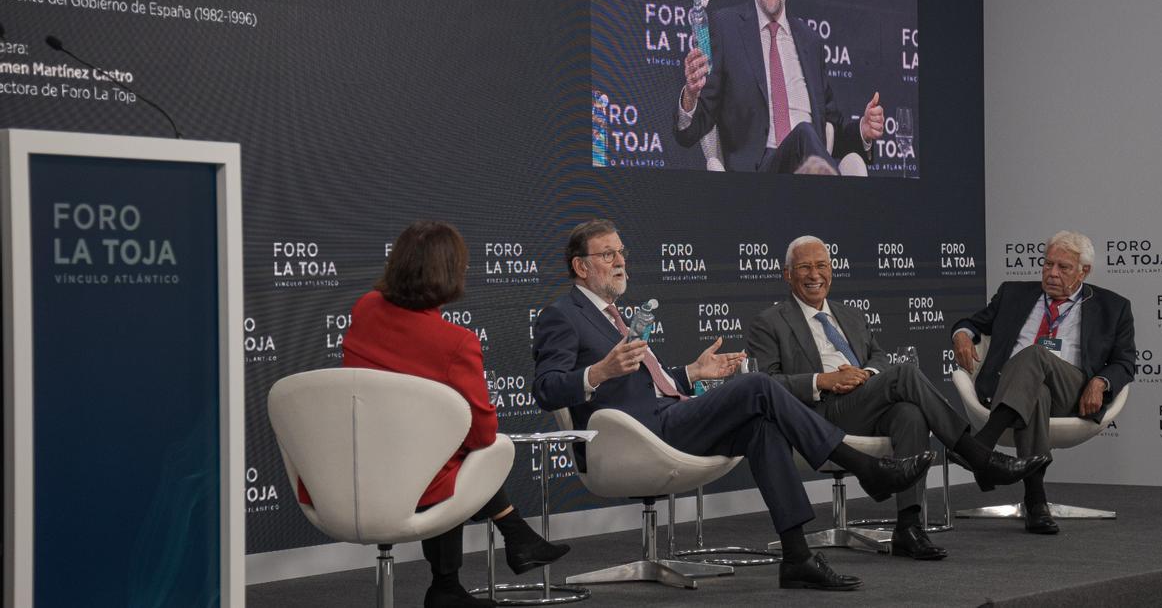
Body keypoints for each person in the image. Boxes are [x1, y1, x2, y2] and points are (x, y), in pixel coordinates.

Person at [532, 219, 934, 591]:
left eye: (621, 253)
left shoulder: (615, 316)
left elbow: (646, 383)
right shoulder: (563, 316)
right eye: (607, 255)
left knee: (763, 427)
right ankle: (866, 468)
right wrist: (598, 372)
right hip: (635, 435)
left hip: (666, 418)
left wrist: (693, 372)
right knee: (756, 386)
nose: (620, 262)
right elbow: (547, 389)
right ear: (581, 267)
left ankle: (797, 557)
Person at [747, 236, 1051, 560]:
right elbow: (764, 383)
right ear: (787, 274)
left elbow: (878, 358)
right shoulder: (769, 323)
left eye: (821, 265)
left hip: (862, 401)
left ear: (832, 270)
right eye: (804, 267)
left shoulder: (850, 315)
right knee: (905, 374)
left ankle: (908, 526)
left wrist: (867, 377)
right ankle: (976, 455)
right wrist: (825, 380)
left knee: (910, 413)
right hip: (816, 414)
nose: (814, 274)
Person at [339, 221, 569, 608]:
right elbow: (482, 434)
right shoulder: (455, 342)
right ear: (450, 274)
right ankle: (498, 548)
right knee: (468, 452)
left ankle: (483, 562)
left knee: (439, 452)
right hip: (415, 483)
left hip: (351, 469)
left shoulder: (365, 308)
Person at [951, 230, 1135, 534]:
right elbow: (971, 323)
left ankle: (981, 444)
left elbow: (1125, 361)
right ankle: (1036, 501)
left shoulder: (1112, 307)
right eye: (1047, 264)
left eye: (1063, 267)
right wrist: (960, 335)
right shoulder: (1013, 293)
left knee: (1036, 354)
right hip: (1011, 387)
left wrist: (1101, 382)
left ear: (1083, 271)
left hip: (1073, 390)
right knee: (1038, 393)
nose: (1051, 273)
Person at [673, 0, 885, 173]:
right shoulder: (726, 28)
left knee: (809, 139)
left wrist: (863, 131)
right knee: (804, 133)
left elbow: (833, 129)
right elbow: (690, 132)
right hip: (757, 179)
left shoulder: (810, 41)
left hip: (811, 173)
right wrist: (691, 95)